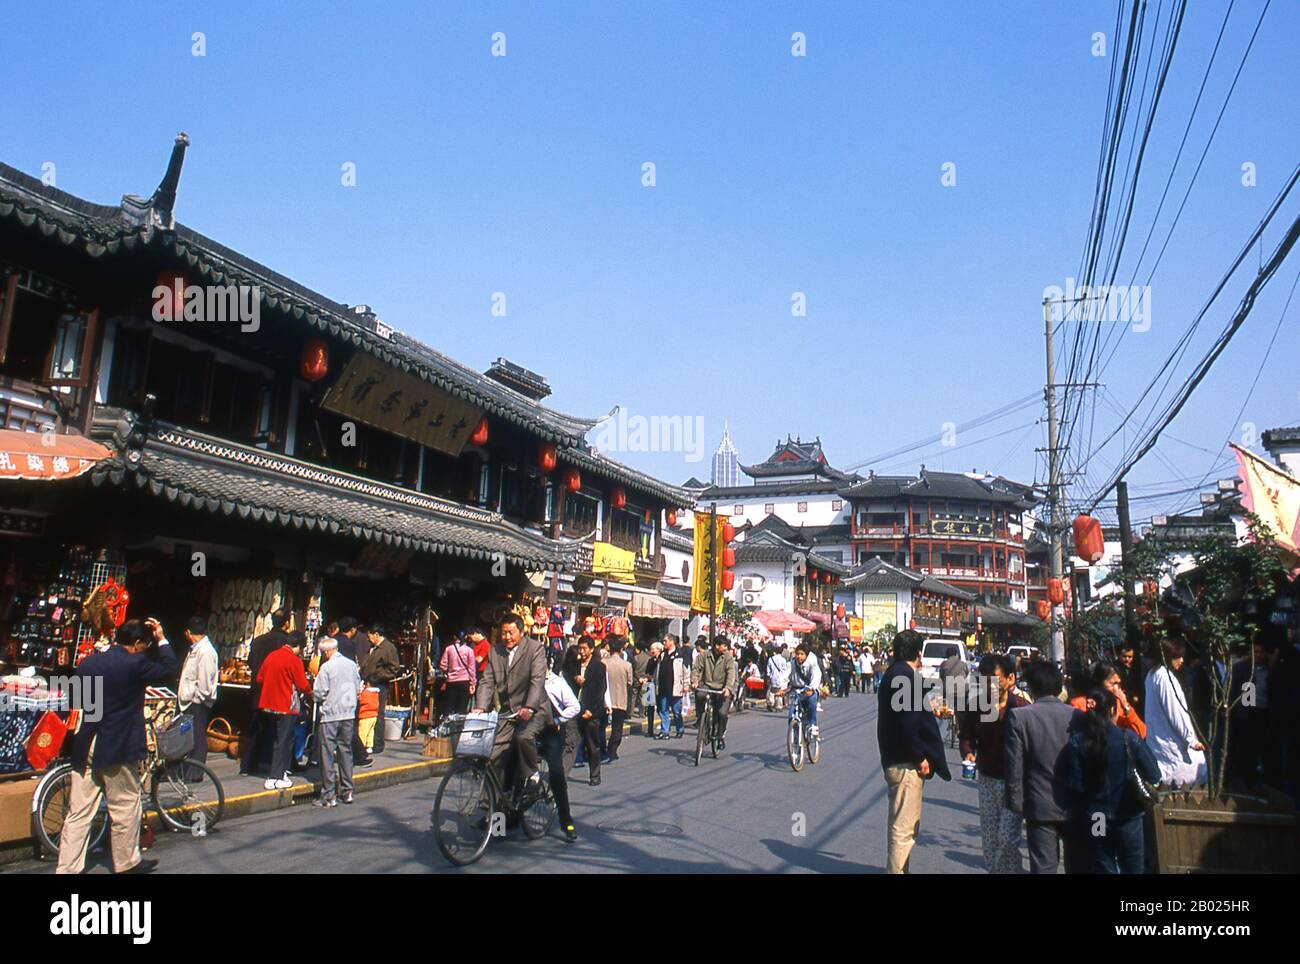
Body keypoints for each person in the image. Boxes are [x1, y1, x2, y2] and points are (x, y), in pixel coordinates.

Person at [56, 618, 177, 875]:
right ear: (137, 643)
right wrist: (161, 638)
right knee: (124, 806)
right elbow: (169, 670)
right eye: (144, 645)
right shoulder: (135, 664)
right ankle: (126, 862)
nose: (144, 650)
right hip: (117, 744)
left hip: (87, 742)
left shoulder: (88, 663)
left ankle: (67, 868)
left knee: (79, 812)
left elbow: (78, 700)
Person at [877, 629, 950, 874]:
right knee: (904, 829)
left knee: (900, 824)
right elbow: (907, 724)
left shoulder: (895, 674)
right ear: (919, 653)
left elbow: (908, 713)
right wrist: (920, 757)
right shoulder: (904, 677)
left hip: (895, 759)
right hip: (906, 762)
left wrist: (930, 708)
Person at [1065, 687, 1161, 873]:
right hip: (1128, 814)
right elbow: (1154, 774)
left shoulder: (1077, 742)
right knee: (1133, 866)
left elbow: (1076, 786)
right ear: (1111, 710)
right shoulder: (1128, 738)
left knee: (1103, 862)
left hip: (1097, 816)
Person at [1005, 660, 1081, 874]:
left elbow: (1015, 764)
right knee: (1078, 864)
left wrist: (1016, 802)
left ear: (1032, 687)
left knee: (1043, 867)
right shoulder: (1077, 716)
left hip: (1039, 804)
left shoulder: (1020, 717)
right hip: (1074, 803)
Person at [957, 654, 1027, 874]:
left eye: (995, 679)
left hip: (1014, 782)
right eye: (985, 680)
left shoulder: (1021, 708)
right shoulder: (977, 705)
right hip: (987, 778)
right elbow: (966, 736)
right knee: (990, 840)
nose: (990, 685)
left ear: (1009, 678)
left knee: (1008, 839)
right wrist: (968, 753)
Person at [472, 614, 548, 791]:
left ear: (521, 632)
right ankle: (490, 803)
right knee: (492, 755)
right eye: (504, 633)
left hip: (534, 710)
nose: (507, 637)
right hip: (509, 712)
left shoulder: (535, 649)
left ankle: (533, 774)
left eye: (511, 633)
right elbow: (487, 681)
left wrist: (529, 706)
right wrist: (480, 707)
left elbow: (537, 680)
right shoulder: (495, 651)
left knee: (523, 737)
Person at [1144, 638, 1207, 785]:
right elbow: (1175, 712)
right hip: (1171, 739)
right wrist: (1191, 739)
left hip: (1159, 736)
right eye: (1177, 657)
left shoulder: (1152, 674)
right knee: (1186, 777)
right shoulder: (1165, 678)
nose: (1181, 660)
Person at [255, 630, 312, 790]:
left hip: (269, 703)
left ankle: (278, 772)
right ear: (298, 646)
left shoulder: (271, 656)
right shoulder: (294, 660)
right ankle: (277, 775)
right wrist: (310, 692)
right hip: (286, 705)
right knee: (284, 741)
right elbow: (303, 685)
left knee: (276, 738)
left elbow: (260, 677)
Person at [240, 608, 291, 775]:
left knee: (254, 728)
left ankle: (247, 766)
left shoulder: (258, 641)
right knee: (279, 730)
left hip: (257, 689)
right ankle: (274, 765)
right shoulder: (286, 642)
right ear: (287, 623)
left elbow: (250, 662)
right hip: (277, 691)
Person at [312, 637, 360, 807]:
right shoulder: (352, 665)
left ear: (326, 652)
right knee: (345, 750)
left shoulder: (326, 667)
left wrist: (316, 699)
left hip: (331, 714)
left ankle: (329, 795)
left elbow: (319, 692)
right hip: (348, 712)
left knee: (327, 752)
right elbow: (357, 687)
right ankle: (348, 791)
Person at [541, 664, 581, 842]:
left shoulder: (555, 682)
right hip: (526, 728)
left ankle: (566, 820)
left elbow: (575, 706)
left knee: (556, 772)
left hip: (549, 731)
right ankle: (500, 820)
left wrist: (557, 720)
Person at [178, 615, 219, 779]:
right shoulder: (196, 649)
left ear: (188, 633)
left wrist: (196, 698)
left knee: (198, 738)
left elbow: (205, 683)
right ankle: (184, 770)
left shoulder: (206, 651)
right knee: (186, 736)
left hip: (197, 702)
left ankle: (195, 774)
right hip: (189, 701)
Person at [1069, 661, 1146, 738]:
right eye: (1112, 684)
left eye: (1118, 684)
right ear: (1099, 682)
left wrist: (1127, 708)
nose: (1116, 689)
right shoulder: (1080, 704)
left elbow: (1142, 733)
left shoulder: (1119, 705)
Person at [691, 634, 739, 750]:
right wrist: (695, 681)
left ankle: (720, 735)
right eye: (724, 645)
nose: (726, 648)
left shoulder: (728, 657)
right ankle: (702, 717)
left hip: (723, 687)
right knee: (699, 694)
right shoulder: (704, 655)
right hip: (708, 684)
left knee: (722, 713)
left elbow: (731, 673)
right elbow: (696, 669)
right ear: (717, 646)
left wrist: (728, 688)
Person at [360, 625, 400, 754]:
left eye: (370, 636)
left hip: (379, 684)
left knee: (378, 713)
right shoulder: (373, 648)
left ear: (376, 634)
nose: (368, 639)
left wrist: (377, 676)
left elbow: (394, 668)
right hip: (368, 683)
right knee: (368, 713)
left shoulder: (388, 648)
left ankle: (378, 743)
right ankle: (368, 741)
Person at [575, 635, 607, 785]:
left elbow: (600, 690)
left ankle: (595, 775)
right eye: (580, 648)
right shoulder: (575, 665)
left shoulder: (599, 667)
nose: (581, 651)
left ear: (592, 649)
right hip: (575, 708)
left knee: (592, 745)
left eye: (584, 648)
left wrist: (591, 710)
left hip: (591, 711)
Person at [603, 635, 633, 762]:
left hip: (605, 699)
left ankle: (602, 749)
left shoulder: (603, 663)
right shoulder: (626, 665)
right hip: (620, 699)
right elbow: (630, 682)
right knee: (617, 726)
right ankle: (612, 749)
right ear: (621, 650)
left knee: (602, 725)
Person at [438, 631, 477, 718]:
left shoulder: (449, 649)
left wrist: (448, 672)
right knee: (461, 708)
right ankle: (459, 725)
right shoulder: (469, 650)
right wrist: (473, 683)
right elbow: (472, 669)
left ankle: (447, 722)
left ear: (455, 637)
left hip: (451, 681)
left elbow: (443, 665)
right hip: (464, 681)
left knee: (448, 706)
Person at [656, 634, 688, 739]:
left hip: (675, 687)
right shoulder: (662, 654)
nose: (664, 643)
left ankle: (680, 729)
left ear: (671, 641)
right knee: (663, 710)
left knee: (676, 711)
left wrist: (686, 685)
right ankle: (665, 731)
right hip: (663, 687)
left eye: (665, 641)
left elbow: (686, 671)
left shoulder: (680, 654)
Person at [767, 644, 791, 708]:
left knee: (772, 691)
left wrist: (768, 677)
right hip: (781, 678)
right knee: (779, 691)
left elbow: (768, 670)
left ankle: (771, 703)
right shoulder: (783, 660)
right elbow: (785, 670)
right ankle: (779, 705)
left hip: (773, 677)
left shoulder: (771, 659)